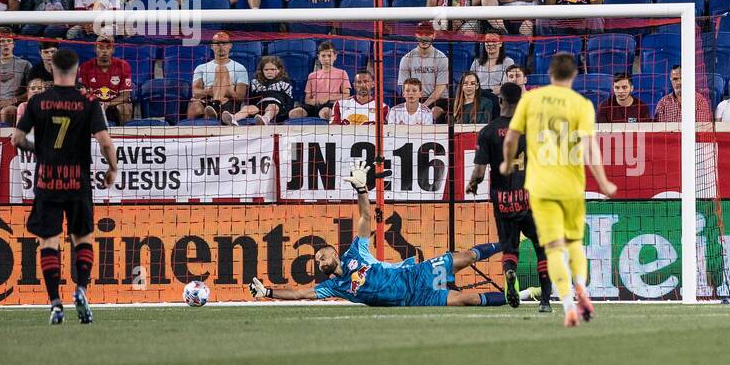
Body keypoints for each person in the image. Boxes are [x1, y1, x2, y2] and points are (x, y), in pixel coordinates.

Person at [248, 161, 510, 308]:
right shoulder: (333, 287)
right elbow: (301, 294)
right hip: (416, 298)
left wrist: (362, 190)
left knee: (465, 256)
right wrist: (268, 293)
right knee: (469, 299)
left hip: (416, 274)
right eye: (317, 260)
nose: (319, 260)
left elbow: (366, 217)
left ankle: (507, 242)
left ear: (335, 252)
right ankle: (513, 299)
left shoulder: (355, 252)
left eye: (322, 254)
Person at [501, 52, 619, 327]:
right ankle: (581, 287)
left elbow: (511, 138)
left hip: (541, 185)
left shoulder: (530, 99)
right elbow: (590, 148)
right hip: (571, 184)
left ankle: (567, 305)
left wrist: (507, 164)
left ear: (550, 73)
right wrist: (603, 182)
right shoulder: (582, 104)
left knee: (553, 248)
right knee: (574, 244)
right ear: (574, 75)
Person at [12, 46, 118, 324]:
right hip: (77, 181)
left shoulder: (38, 101)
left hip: (47, 180)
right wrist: (113, 168)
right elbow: (105, 141)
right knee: (82, 237)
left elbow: (17, 139)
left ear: (53, 70)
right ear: (76, 70)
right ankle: (81, 290)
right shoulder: (88, 101)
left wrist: (41, 150)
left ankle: (56, 304)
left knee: (49, 240)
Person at [468, 80, 553, 311]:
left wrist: (472, 185)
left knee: (510, 249)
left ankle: (510, 272)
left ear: (500, 100)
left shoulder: (487, 132)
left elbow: (479, 171)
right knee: (542, 247)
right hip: (530, 197)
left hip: (503, 200)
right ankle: (545, 302)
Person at [225, 55, 305, 125]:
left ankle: (265, 119)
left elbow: (289, 101)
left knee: (271, 107)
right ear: (262, 71)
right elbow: (251, 99)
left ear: (279, 70)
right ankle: (233, 118)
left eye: (272, 69)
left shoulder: (285, 82)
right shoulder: (255, 82)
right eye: (266, 70)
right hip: (260, 106)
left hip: (278, 108)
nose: (269, 72)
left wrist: (285, 115)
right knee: (247, 108)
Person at [186, 31, 249, 120]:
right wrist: (218, 90)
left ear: (230, 45)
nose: (221, 46)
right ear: (212, 46)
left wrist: (227, 91)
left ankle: (214, 106)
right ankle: (209, 113)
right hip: (206, 100)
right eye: (217, 43)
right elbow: (195, 92)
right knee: (194, 108)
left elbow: (240, 97)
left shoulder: (240, 68)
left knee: (221, 69)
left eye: (224, 43)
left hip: (228, 101)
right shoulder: (201, 67)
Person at [77, 33, 133, 124]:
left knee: (125, 108)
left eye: (108, 47)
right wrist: (96, 104)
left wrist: (107, 104)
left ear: (113, 50)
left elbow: (125, 96)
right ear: (95, 49)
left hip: (114, 105)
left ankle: (124, 136)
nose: (104, 51)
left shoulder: (123, 66)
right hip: (94, 105)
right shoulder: (85, 67)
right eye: (101, 47)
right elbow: (83, 94)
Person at [397, 23, 449, 119]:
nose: (424, 38)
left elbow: (440, 88)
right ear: (416, 36)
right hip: (414, 97)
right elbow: (405, 87)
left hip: (438, 100)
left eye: (427, 34)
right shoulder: (407, 59)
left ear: (434, 35)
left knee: (433, 113)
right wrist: (415, 103)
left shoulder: (441, 58)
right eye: (421, 34)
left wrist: (423, 106)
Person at [303, 41, 350, 120]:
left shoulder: (342, 73)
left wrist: (328, 98)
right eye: (323, 56)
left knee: (325, 112)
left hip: (330, 104)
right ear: (319, 57)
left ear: (335, 56)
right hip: (313, 106)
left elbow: (346, 95)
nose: (326, 59)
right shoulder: (312, 76)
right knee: (294, 113)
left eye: (329, 55)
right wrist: (313, 102)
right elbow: (307, 99)